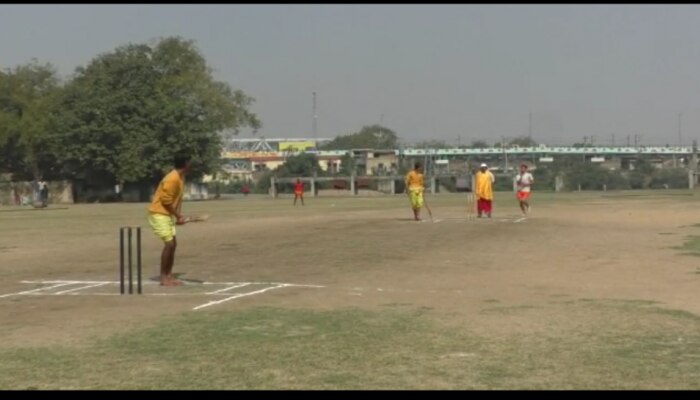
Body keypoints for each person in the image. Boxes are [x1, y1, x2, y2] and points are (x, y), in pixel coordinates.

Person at [147, 152, 191, 286]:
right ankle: (163, 277)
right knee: (169, 244)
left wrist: (178, 216)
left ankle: (169, 275)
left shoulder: (180, 177)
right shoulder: (172, 178)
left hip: (167, 214)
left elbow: (176, 200)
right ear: (186, 164)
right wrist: (178, 216)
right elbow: (166, 202)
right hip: (158, 213)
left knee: (173, 244)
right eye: (191, 162)